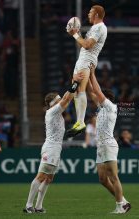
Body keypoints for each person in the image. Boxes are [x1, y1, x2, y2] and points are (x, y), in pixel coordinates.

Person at [23, 73, 84, 213]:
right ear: (53, 103)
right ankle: (28, 205)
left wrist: (76, 87)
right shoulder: (51, 112)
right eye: (58, 100)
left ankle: (38, 206)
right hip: (51, 148)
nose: (60, 101)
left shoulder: (57, 113)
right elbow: (65, 100)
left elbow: (67, 100)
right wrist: (75, 83)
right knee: (41, 176)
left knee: (49, 178)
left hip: (56, 148)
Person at [85, 65, 131, 213]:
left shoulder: (111, 107)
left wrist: (92, 73)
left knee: (113, 177)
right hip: (101, 146)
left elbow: (97, 91)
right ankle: (124, 202)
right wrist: (84, 78)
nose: (97, 99)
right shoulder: (101, 108)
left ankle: (119, 207)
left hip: (108, 144)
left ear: (107, 98)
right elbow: (92, 91)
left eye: (101, 98)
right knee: (103, 179)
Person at [66, 5, 107, 137]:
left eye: (90, 12)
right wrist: (76, 34)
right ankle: (79, 122)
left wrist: (75, 35)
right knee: (76, 89)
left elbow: (88, 45)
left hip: (87, 60)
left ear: (96, 14)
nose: (88, 14)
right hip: (82, 59)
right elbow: (82, 45)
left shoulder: (99, 27)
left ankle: (81, 122)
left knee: (81, 88)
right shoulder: (94, 28)